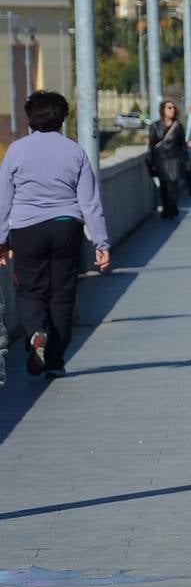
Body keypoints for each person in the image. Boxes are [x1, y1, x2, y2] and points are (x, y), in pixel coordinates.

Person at [0, 90, 110, 379]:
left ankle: (37, 330)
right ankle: (55, 361)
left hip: (26, 228)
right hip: (65, 226)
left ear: (30, 118)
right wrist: (101, 242)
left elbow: (3, 200)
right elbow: (90, 202)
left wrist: (1, 240)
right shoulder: (75, 151)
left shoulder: (16, 151)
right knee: (62, 294)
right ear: (63, 118)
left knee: (29, 289)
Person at [147, 99, 189, 219]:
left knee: (173, 184)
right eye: (169, 108)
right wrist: (151, 162)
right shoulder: (155, 126)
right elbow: (151, 145)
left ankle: (173, 205)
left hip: (174, 159)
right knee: (164, 185)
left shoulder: (178, 126)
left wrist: (186, 160)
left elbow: (182, 144)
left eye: (173, 108)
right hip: (160, 160)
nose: (172, 110)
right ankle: (166, 207)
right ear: (163, 110)